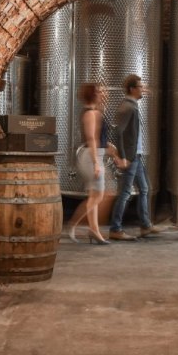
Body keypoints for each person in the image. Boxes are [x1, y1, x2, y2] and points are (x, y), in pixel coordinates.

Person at [108, 74, 161, 241]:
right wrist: (123, 157)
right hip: (130, 158)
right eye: (140, 87)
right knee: (125, 193)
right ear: (132, 89)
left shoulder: (133, 106)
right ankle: (115, 229)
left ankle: (145, 226)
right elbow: (118, 132)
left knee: (145, 189)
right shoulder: (127, 107)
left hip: (136, 156)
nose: (143, 89)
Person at [66, 83, 116, 245]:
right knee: (100, 195)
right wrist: (96, 163)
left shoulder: (96, 112)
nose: (103, 93)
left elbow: (99, 139)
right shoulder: (92, 114)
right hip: (91, 156)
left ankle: (94, 231)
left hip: (95, 154)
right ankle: (74, 224)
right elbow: (92, 139)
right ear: (93, 94)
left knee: (95, 195)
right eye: (100, 91)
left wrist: (109, 148)